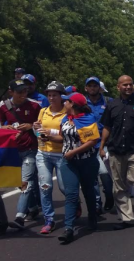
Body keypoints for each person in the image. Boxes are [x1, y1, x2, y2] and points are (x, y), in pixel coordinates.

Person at [100, 75, 134, 230]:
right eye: (124, 85)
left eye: (130, 84)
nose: (128, 87)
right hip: (116, 150)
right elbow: (107, 127)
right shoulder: (112, 105)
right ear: (118, 87)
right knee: (119, 186)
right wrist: (101, 146)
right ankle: (127, 218)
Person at [57, 93, 101, 244]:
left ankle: (92, 218)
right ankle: (68, 228)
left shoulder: (87, 119)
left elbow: (92, 141)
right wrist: (46, 135)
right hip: (69, 162)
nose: (63, 102)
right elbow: (63, 137)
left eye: (66, 101)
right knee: (71, 194)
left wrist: (74, 152)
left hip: (86, 161)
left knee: (88, 191)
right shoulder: (66, 119)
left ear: (73, 104)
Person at [1, 79, 42, 230]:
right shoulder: (3, 107)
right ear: (11, 92)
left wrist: (31, 126)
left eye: (25, 91)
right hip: (11, 152)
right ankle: (32, 208)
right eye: (19, 92)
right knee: (19, 183)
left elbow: (42, 126)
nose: (23, 94)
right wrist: (6, 128)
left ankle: (19, 216)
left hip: (29, 149)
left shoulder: (35, 105)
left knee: (26, 182)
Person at [33, 81, 67, 234]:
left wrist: (49, 133)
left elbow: (66, 136)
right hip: (43, 153)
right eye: (49, 95)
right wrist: (37, 130)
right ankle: (49, 219)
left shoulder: (67, 113)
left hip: (60, 154)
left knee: (64, 187)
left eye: (55, 95)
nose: (52, 98)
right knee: (45, 187)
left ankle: (75, 203)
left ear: (61, 97)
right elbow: (39, 131)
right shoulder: (43, 111)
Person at [85, 76, 114, 215]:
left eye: (95, 86)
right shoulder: (81, 103)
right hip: (87, 144)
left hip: (105, 143)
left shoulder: (109, 102)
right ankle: (97, 203)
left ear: (99, 87)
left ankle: (109, 195)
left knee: (104, 172)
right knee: (91, 176)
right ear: (86, 88)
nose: (92, 88)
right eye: (89, 86)